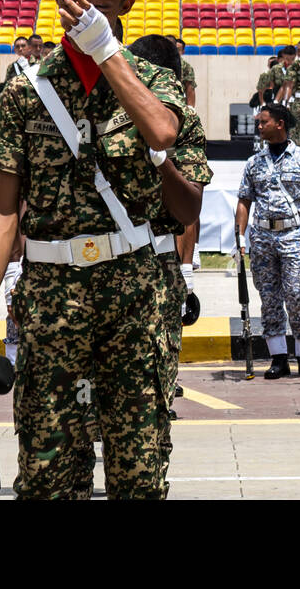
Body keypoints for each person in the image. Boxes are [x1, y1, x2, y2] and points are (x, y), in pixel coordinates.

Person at [0, 0, 185, 500]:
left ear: (124, 7)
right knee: (47, 471)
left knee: (138, 472)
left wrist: (107, 53)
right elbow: (4, 204)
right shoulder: (27, 91)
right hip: (51, 295)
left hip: (135, 294)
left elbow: (165, 134)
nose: (81, 19)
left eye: (96, 9)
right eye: (72, 7)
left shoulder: (155, 82)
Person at [126, 34, 211, 469]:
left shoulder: (184, 123)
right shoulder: (95, 113)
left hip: (158, 261)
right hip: (103, 259)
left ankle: (146, 460)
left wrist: (187, 270)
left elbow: (189, 209)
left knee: (156, 376)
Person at [235, 102, 300, 379]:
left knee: (297, 295)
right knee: (269, 297)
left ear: (279, 124)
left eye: (263, 122)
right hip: (262, 237)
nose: (259, 126)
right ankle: (277, 356)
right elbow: (244, 200)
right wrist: (240, 235)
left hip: (293, 236)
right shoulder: (254, 162)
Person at [174, 37, 197, 107]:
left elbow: (189, 90)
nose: (175, 52)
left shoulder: (186, 67)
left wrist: (190, 110)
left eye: (178, 50)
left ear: (183, 52)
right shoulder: (161, 63)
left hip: (179, 104)